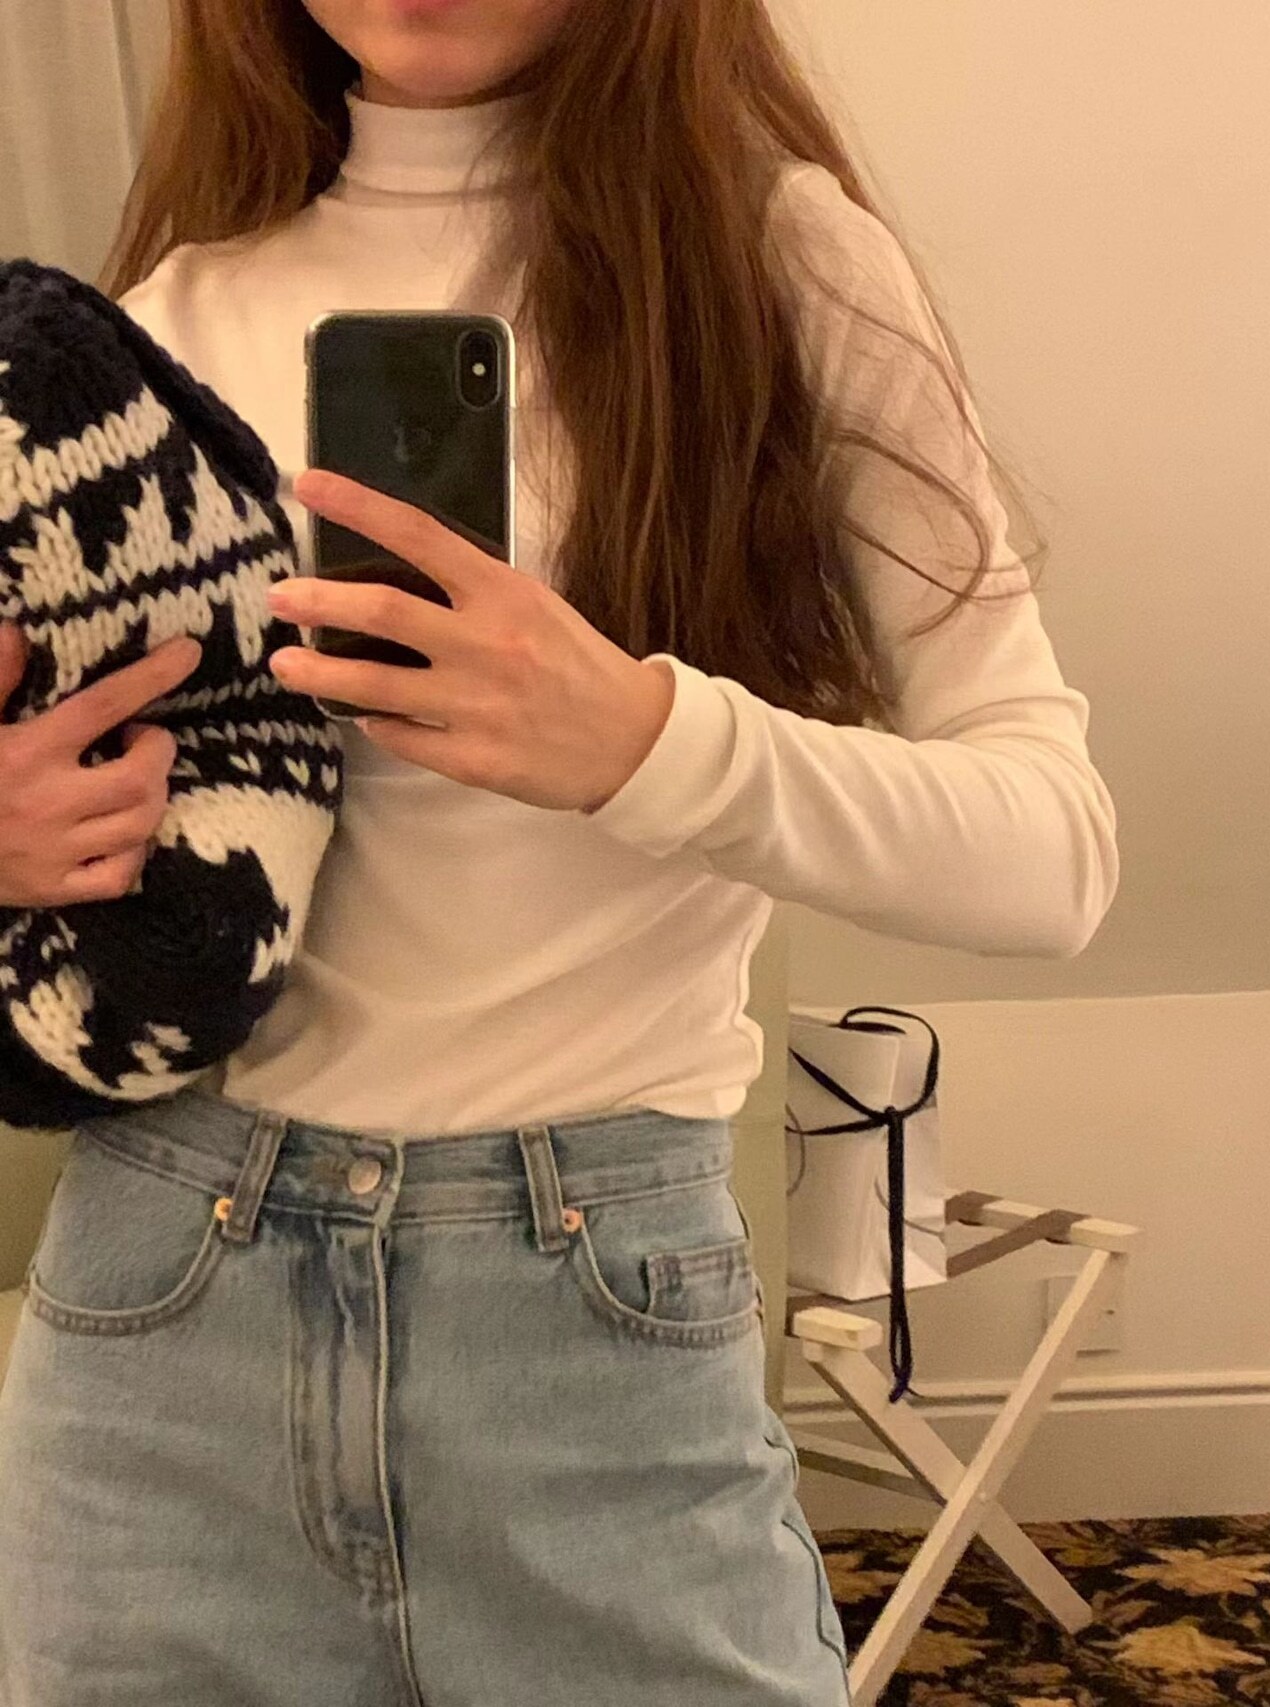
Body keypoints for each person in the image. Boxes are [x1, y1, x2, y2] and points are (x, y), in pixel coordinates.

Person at [0, 3, 1120, 1703]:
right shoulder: (156, 324)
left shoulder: (776, 264)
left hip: (592, 1308)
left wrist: (648, 741)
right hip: (162, 1313)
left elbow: (1055, 857)